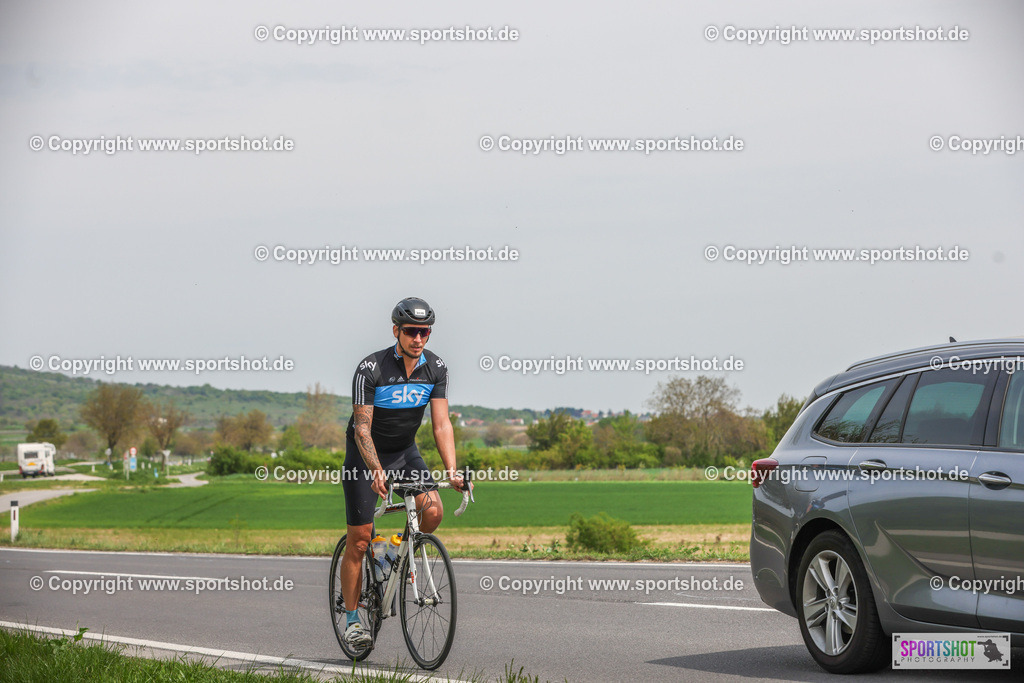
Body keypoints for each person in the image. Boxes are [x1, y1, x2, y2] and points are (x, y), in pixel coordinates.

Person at [340, 296, 465, 646]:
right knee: (361, 537)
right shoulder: (372, 369)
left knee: (433, 511)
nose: (418, 338)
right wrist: (376, 469)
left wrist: (452, 470)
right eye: (411, 331)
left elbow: (441, 425)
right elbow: (362, 429)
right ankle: (352, 621)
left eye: (424, 332)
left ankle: (392, 551)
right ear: (396, 330)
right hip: (366, 457)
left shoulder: (436, 368)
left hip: (405, 453)